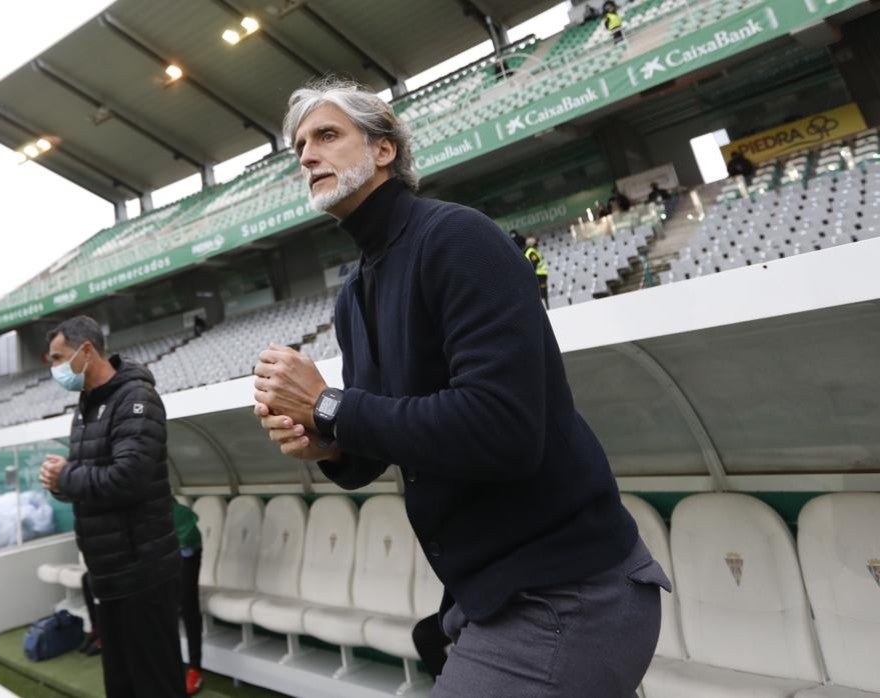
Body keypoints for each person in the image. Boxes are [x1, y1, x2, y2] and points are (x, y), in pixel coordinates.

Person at [253, 78, 668, 696]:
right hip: (489, 594)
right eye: (300, 147)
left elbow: (502, 429)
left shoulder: (457, 238)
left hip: (568, 591)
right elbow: (382, 437)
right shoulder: (355, 293)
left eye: (327, 135)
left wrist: (328, 405)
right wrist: (328, 443)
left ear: (384, 149)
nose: (308, 155)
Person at [38, 316, 184, 697]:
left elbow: (128, 479)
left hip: (143, 572)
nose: (54, 369)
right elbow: (90, 479)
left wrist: (67, 477)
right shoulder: (85, 406)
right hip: (108, 572)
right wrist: (60, 485)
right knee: (121, 683)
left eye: (58, 358)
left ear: (86, 351)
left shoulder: (136, 399)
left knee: (155, 682)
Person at [173, 500, 205, 695]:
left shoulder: (178, 514)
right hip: (151, 547)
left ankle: (195, 668)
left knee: (186, 601)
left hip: (184, 547)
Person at [525, 237, 550, 309]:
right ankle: (546, 308)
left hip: (541, 274)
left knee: (543, 292)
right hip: (539, 275)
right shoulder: (532, 252)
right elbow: (534, 264)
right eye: (535, 242)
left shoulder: (533, 251)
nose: (536, 243)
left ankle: (546, 308)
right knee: (542, 292)